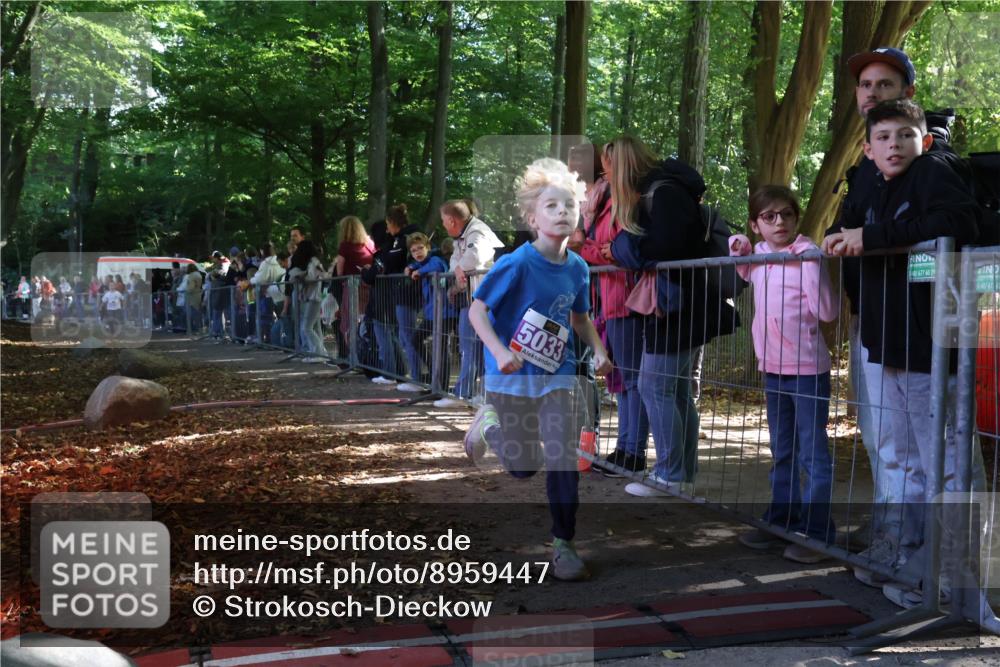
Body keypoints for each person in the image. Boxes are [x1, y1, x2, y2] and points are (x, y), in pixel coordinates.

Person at [823, 99, 988, 606]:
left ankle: (961, 585)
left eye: (904, 136)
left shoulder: (933, 174)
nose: (893, 145)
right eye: (883, 137)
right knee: (911, 466)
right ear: (868, 149)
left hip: (930, 350)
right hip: (887, 345)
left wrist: (870, 239)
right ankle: (916, 567)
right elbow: (842, 235)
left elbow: (955, 223)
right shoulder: (871, 185)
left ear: (925, 141)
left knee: (947, 467)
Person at [463, 158, 611, 581]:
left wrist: (598, 350)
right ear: (532, 218)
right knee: (523, 466)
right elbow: (477, 311)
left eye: (569, 205)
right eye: (552, 206)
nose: (563, 212)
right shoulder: (517, 264)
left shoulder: (579, 269)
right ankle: (488, 423)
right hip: (510, 378)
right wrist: (499, 350)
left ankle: (564, 543)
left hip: (558, 377)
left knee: (563, 458)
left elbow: (580, 319)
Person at [605, 136, 737, 498]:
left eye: (608, 168)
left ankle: (670, 473)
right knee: (675, 389)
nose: (606, 175)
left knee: (655, 386)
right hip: (684, 301)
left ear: (623, 166)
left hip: (679, 304)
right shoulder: (666, 190)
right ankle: (682, 473)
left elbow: (665, 248)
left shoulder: (662, 193)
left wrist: (622, 247)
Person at [730, 186, 839, 564]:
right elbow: (743, 269)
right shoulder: (761, 255)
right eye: (769, 217)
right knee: (783, 451)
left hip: (807, 370)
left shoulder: (807, 254)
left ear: (797, 218)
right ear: (756, 224)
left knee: (813, 454)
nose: (779, 223)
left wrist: (811, 265)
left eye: (787, 215)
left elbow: (826, 311)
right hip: (773, 369)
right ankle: (781, 520)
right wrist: (739, 246)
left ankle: (818, 532)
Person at [571, 142, 649, 477]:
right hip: (608, 299)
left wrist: (584, 248)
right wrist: (595, 248)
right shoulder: (605, 204)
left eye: (607, 164)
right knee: (619, 379)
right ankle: (624, 448)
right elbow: (604, 249)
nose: (604, 170)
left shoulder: (625, 203)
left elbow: (618, 251)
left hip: (625, 300)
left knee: (631, 379)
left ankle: (634, 453)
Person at [434, 199, 505, 408]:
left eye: (443, 221)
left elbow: (475, 257)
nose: (442, 225)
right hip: (474, 299)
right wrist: (458, 268)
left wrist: (460, 268)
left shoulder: (478, 232)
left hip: (484, 300)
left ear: (451, 220)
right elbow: (455, 261)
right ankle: (477, 393)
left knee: (472, 346)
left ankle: (465, 394)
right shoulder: (463, 235)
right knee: (472, 346)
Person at [397, 232, 455, 392]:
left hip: (445, 313)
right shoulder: (419, 265)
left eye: (421, 248)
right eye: (414, 250)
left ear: (428, 247)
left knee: (442, 348)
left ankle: (440, 387)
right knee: (416, 340)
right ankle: (434, 376)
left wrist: (417, 271)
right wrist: (411, 267)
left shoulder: (435, 260)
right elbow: (418, 266)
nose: (418, 252)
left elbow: (436, 266)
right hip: (432, 313)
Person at [334, 215, 376, 348]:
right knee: (366, 319)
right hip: (369, 285)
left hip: (352, 287)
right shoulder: (370, 244)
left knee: (349, 321)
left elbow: (339, 270)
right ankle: (368, 354)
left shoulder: (345, 246)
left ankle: (355, 355)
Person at [289, 239, 328, 362]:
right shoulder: (312, 262)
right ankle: (318, 352)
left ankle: (318, 354)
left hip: (314, 297)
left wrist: (300, 275)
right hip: (310, 297)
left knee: (307, 327)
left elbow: (312, 277)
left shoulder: (313, 262)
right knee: (313, 327)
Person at [252, 243, 284, 344]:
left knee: (268, 318)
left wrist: (250, 281)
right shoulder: (277, 260)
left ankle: (273, 340)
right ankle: (281, 341)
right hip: (280, 293)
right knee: (282, 318)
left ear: (262, 251)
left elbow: (260, 278)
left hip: (271, 294)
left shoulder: (267, 262)